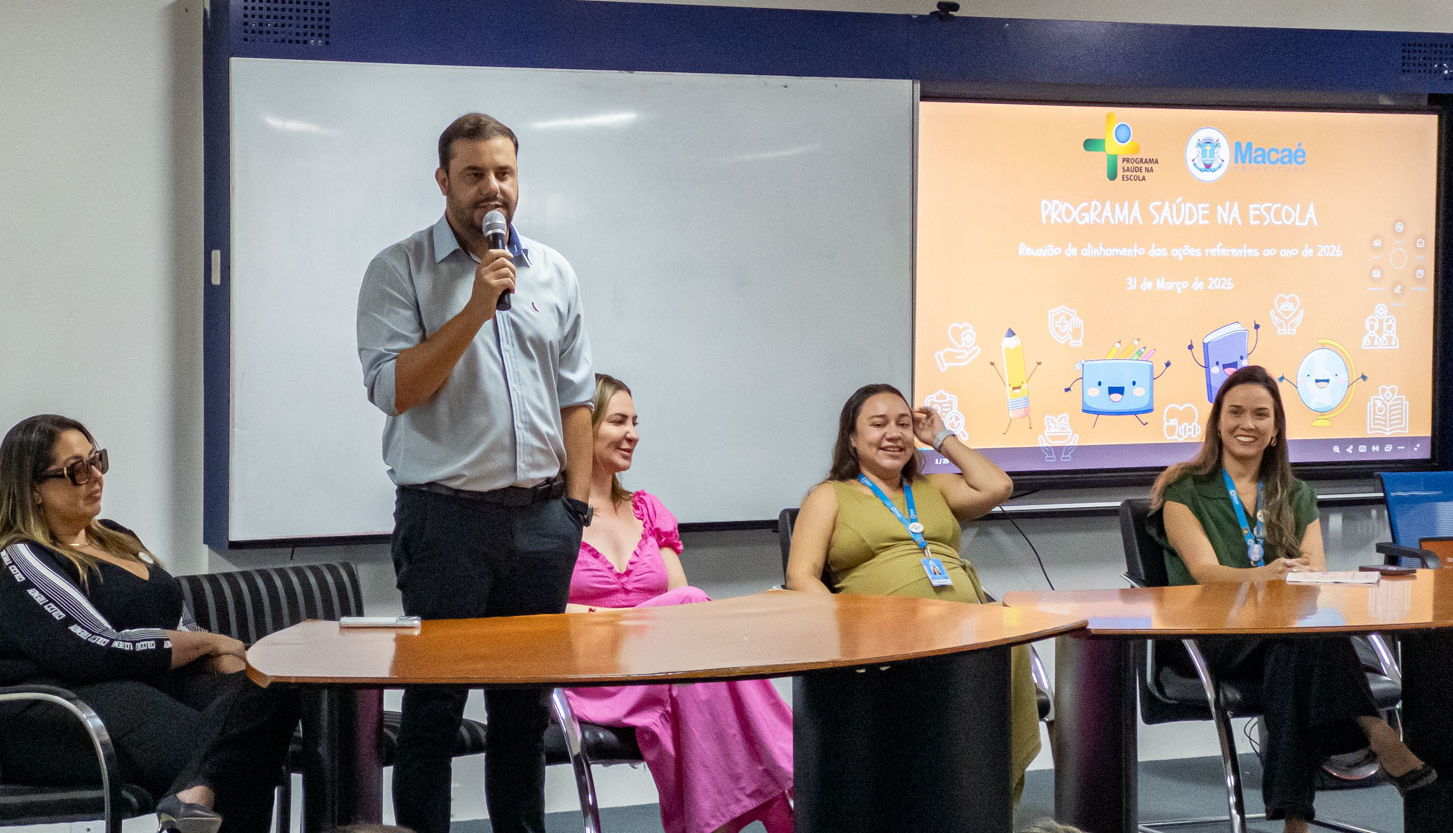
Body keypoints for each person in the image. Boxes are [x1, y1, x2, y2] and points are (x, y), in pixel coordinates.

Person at [356, 112, 595, 833]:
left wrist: (575, 511)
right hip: (446, 521)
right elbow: (396, 389)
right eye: (474, 174)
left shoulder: (552, 270)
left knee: (523, 713)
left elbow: (576, 398)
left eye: (504, 172)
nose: (493, 188)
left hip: (543, 522)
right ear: (443, 181)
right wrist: (475, 309)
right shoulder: (399, 269)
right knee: (434, 709)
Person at [1145, 364, 1434, 832]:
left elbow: (1314, 572)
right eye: (1236, 412)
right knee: (1301, 643)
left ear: (1276, 429)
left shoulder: (1296, 494)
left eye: (1261, 415)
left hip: (1282, 636)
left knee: (1290, 656)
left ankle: (1294, 818)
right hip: (1211, 636)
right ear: (1217, 422)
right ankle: (1374, 729)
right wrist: (1266, 575)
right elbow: (1204, 573)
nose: (1247, 424)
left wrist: (1301, 576)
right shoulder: (1185, 489)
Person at [0, 414, 300, 833]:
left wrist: (228, 667)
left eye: (97, 460)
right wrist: (211, 644)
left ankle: (191, 797)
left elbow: (180, 621)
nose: (96, 476)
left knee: (270, 689)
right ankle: (194, 792)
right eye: (76, 470)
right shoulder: (21, 554)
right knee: (235, 750)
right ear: (33, 489)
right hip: (61, 707)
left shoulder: (116, 536)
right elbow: (94, 647)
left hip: (152, 686)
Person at [784, 382, 1041, 801]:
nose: (894, 434)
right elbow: (801, 576)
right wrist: (846, 629)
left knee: (1010, 633)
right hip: (883, 635)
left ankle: (982, 792)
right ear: (852, 438)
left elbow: (997, 486)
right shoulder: (829, 495)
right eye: (879, 424)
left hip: (966, 627)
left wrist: (941, 436)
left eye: (904, 424)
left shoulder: (933, 487)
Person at [562, 375, 794, 833]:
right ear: (582, 428)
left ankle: (722, 820)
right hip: (593, 674)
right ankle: (791, 786)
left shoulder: (647, 509)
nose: (633, 434)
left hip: (663, 668)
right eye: (618, 421)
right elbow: (546, 612)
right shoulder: (554, 517)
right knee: (693, 621)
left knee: (696, 658)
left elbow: (687, 611)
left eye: (635, 422)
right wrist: (634, 623)